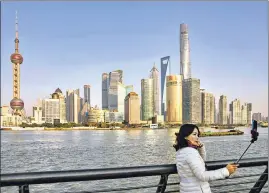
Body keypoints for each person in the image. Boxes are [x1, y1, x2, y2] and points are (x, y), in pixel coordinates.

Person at [174, 124, 238, 193]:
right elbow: (202, 175)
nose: (197, 137)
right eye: (194, 134)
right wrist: (226, 171)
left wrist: (201, 148)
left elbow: (200, 164)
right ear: (185, 136)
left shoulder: (180, 151)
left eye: (197, 135)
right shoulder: (190, 152)